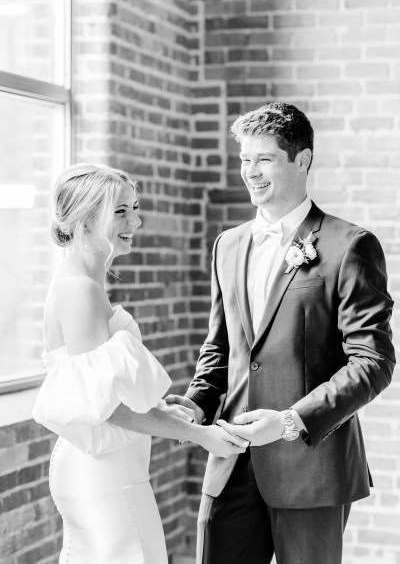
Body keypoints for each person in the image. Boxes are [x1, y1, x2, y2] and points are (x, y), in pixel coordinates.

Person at [166, 102, 395, 564]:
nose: (251, 172)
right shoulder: (227, 246)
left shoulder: (349, 245)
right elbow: (223, 347)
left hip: (311, 466)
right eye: (245, 160)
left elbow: (373, 363)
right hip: (230, 462)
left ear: (303, 160)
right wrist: (196, 401)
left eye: (265, 159)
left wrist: (290, 422)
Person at [32, 163, 247, 564]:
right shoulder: (80, 290)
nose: (137, 220)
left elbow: (103, 395)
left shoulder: (87, 282)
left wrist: (158, 408)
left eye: (135, 207)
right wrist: (198, 435)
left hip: (112, 465)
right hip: (104, 473)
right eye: (120, 211)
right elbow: (109, 411)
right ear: (83, 218)